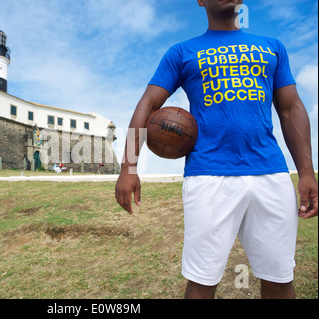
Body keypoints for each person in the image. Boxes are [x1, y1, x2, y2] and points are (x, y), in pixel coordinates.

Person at [115, 0, 318, 299]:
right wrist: (128, 167)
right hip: (208, 176)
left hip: (271, 174)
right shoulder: (181, 52)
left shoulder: (272, 46)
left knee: (279, 279)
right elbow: (148, 104)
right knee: (201, 281)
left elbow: (290, 108)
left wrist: (306, 173)